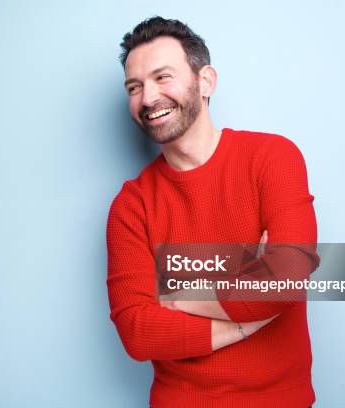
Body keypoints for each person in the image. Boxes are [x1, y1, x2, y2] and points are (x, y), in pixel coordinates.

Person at [106, 16, 319, 407]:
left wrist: (180, 291)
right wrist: (244, 319)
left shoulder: (272, 158)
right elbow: (137, 332)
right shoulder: (131, 205)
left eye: (162, 77)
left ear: (206, 81)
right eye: (134, 87)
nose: (148, 98)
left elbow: (288, 277)